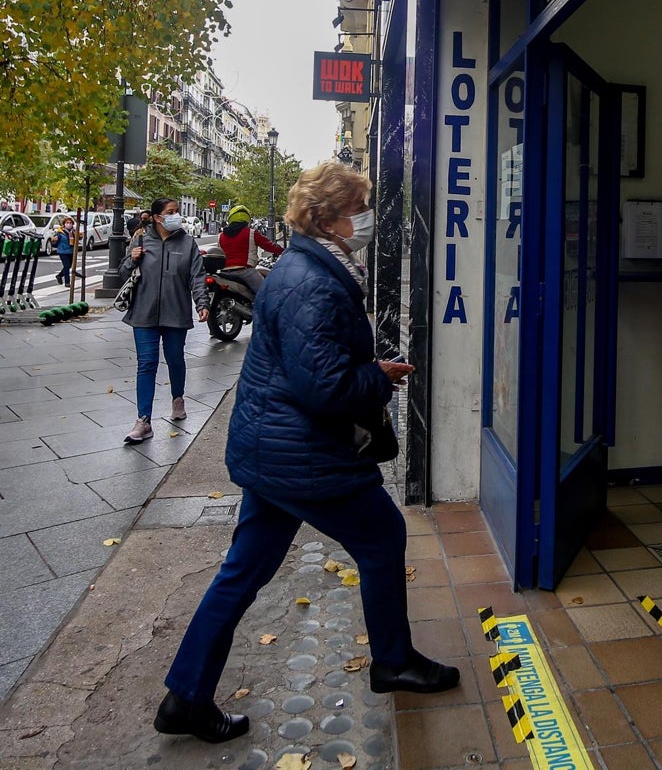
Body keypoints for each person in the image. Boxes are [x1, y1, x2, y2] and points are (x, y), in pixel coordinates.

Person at [152, 162, 457, 745]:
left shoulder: (306, 267)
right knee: (383, 536)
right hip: (303, 454)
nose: (366, 218)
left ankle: (185, 697)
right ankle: (393, 661)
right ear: (330, 218)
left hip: (274, 450)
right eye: (358, 208)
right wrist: (376, 377)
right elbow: (326, 388)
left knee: (243, 572)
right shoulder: (313, 282)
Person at [119, 198, 209, 444]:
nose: (176, 216)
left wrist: (202, 303)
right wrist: (131, 259)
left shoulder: (187, 243)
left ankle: (177, 399)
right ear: (158, 217)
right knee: (146, 364)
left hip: (176, 312)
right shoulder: (140, 240)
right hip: (144, 313)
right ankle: (143, 421)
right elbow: (123, 272)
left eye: (177, 212)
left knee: (175, 359)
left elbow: (197, 276)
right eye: (171, 212)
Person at [217, 204, 282, 293]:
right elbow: (269, 245)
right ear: (247, 219)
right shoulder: (251, 233)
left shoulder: (221, 236)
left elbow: (218, 253)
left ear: (230, 218)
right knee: (267, 294)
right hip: (245, 272)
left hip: (224, 273)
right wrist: (284, 251)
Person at [50, 217, 76, 285]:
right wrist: (54, 239)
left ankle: (59, 276)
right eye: (67, 223)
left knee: (69, 266)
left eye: (70, 223)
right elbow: (54, 240)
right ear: (64, 224)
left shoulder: (73, 231)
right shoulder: (60, 232)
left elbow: (77, 239)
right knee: (67, 266)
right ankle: (67, 282)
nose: (69, 224)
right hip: (62, 251)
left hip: (71, 251)